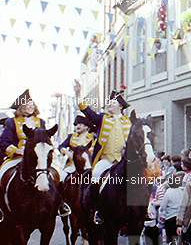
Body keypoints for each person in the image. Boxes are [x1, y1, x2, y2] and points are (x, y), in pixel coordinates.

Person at [0, 90, 71, 218]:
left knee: (58, 174)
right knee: (1, 174)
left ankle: (60, 204)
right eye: (28, 104)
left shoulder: (41, 122)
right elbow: (4, 141)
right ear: (21, 106)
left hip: (39, 158)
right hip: (17, 156)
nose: (31, 106)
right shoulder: (12, 122)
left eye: (33, 104)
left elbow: (46, 141)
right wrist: (16, 150)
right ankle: (1, 208)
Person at [73, 81, 131, 224]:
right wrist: (79, 94)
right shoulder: (102, 119)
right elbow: (87, 111)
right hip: (106, 160)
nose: (109, 104)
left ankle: (142, 211)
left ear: (121, 106)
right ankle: (97, 209)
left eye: (113, 102)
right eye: (109, 102)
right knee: (96, 174)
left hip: (123, 160)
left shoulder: (128, 122)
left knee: (139, 180)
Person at [159, 171, 185, 245]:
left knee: (170, 239)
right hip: (180, 218)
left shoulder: (168, 192)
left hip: (170, 218)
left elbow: (163, 207)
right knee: (178, 238)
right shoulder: (183, 191)